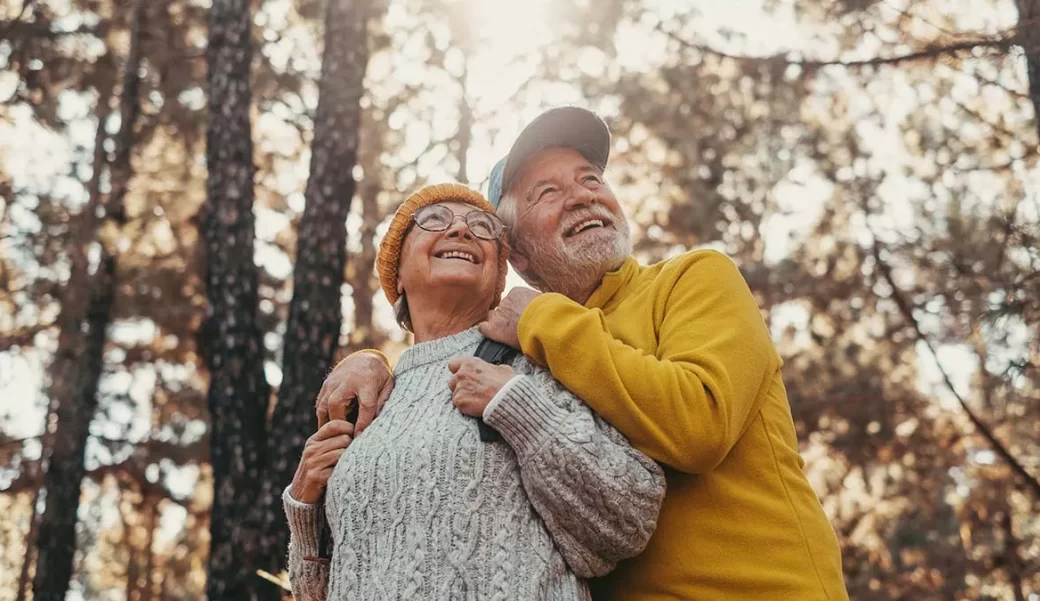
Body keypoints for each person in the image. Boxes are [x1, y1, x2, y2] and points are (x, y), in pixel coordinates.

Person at [322, 108, 851, 601]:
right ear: (520, 254)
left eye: (591, 179)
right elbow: (434, 365)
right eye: (546, 192)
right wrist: (372, 362)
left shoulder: (692, 279)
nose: (581, 196)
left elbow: (700, 424)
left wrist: (540, 320)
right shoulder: (515, 347)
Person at [284, 183, 666, 601]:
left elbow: (628, 521)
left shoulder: (533, 364)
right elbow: (317, 595)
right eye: (434, 220)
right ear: (396, 271)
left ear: (499, 277)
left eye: (482, 227)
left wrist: (520, 407)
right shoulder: (368, 401)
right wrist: (304, 515)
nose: (461, 231)